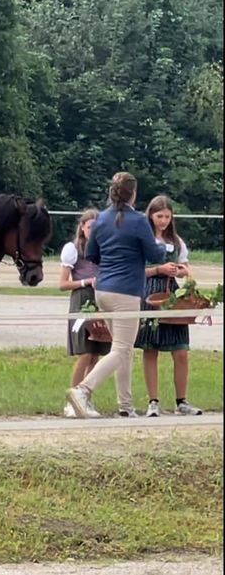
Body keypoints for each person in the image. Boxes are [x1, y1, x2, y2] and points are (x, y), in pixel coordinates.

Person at [66, 173, 168, 419]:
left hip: (103, 289)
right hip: (127, 291)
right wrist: (163, 245)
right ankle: (83, 390)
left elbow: (91, 253)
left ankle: (126, 405)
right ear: (133, 193)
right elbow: (155, 255)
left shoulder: (100, 219)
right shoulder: (139, 221)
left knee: (121, 348)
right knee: (122, 349)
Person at [136, 196, 202, 417]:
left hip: (172, 293)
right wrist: (158, 269)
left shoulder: (176, 240)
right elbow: (135, 270)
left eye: (167, 216)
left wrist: (179, 271)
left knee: (181, 349)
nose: (163, 221)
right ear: (150, 216)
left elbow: (186, 268)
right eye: (159, 216)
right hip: (149, 292)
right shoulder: (142, 238)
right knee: (151, 348)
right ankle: (153, 401)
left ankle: (182, 400)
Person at [59, 209, 110, 418]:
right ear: (82, 227)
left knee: (96, 353)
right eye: (90, 227)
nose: (94, 231)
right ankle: (72, 400)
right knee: (85, 351)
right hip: (82, 299)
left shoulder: (105, 249)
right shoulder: (73, 249)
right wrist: (86, 281)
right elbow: (63, 284)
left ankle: (86, 398)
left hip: (101, 299)